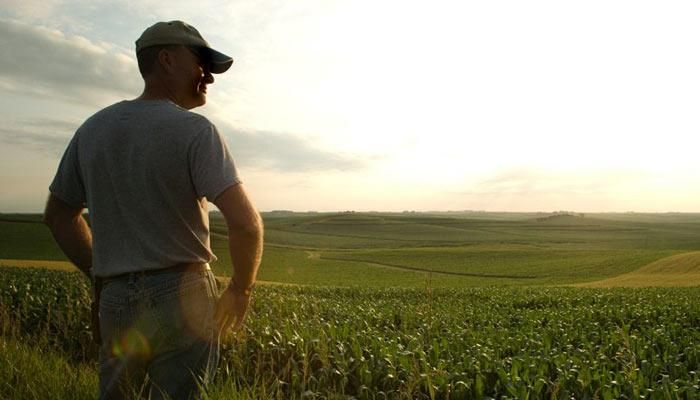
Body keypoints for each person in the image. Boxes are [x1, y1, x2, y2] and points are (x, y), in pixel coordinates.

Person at [42, 20, 264, 399]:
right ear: (166, 60)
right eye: (201, 63)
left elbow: (59, 215)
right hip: (184, 295)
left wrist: (101, 274)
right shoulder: (196, 131)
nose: (208, 77)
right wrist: (241, 289)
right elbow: (245, 225)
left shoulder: (92, 130)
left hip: (115, 299)